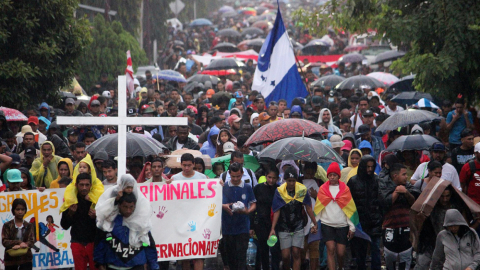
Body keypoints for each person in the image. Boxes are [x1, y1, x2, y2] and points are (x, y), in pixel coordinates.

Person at [94, 191, 158, 270]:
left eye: (131, 207)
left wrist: (153, 266)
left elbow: (149, 245)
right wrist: (99, 263)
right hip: (113, 266)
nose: (128, 210)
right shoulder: (109, 221)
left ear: (135, 206)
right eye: (125, 207)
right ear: (119, 205)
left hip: (136, 266)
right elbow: (100, 242)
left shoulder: (141, 223)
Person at [270, 167, 317, 270]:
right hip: (284, 225)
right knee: (285, 255)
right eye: (289, 181)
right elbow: (276, 210)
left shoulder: (302, 190)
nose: (291, 183)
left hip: (298, 225)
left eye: (293, 181)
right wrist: (273, 228)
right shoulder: (280, 191)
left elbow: (308, 207)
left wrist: (314, 222)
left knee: (296, 252)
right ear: (285, 180)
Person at [379, 164, 420, 270]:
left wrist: (405, 192)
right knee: (390, 258)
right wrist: (397, 191)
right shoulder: (384, 185)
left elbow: (414, 203)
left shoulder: (408, 187)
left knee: (405, 258)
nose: (407, 177)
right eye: (404, 174)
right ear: (395, 176)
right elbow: (386, 203)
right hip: (390, 228)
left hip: (406, 227)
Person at [315, 163, 354, 270]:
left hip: (342, 224)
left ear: (338, 176)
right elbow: (319, 208)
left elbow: (349, 209)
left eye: (334, 175)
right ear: (327, 176)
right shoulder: (323, 189)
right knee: (330, 249)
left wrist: (352, 226)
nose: (332, 177)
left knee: (341, 252)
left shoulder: (345, 189)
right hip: (327, 224)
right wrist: (313, 223)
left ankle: (340, 267)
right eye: (330, 175)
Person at [347, 156, 383, 270]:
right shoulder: (353, 181)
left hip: (375, 220)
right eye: (367, 167)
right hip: (360, 222)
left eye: (372, 167)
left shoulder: (377, 180)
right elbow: (348, 202)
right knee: (360, 253)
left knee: (375, 250)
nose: (369, 169)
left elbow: (381, 200)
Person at [222, 162, 257, 270]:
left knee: (241, 256)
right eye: (233, 176)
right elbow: (214, 202)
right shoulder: (223, 187)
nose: (236, 179)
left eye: (238, 176)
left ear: (242, 173)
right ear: (229, 174)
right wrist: (224, 206)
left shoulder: (247, 187)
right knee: (231, 258)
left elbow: (254, 203)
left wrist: (247, 211)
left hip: (243, 227)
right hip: (227, 228)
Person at [60, 173, 98, 270]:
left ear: (91, 185)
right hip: (77, 242)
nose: (84, 188)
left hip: (93, 242)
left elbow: (105, 224)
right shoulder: (71, 200)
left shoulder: (96, 200)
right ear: (76, 185)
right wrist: (70, 214)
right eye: (81, 185)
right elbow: (64, 225)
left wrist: (96, 217)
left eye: (87, 185)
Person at [251, 168, 281, 270]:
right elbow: (253, 207)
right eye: (269, 177)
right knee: (263, 249)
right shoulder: (258, 188)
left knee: (275, 250)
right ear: (265, 176)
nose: (271, 180)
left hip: (275, 223)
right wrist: (251, 226)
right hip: (261, 223)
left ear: (277, 178)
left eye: (274, 178)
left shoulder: (279, 189)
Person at [1, 198, 35, 270]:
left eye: (22, 209)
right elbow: (4, 241)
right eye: (18, 209)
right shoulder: (7, 225)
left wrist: (26, 245)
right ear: (13, 211)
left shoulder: (29, 225)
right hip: (10, 260)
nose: (20, 212)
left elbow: (31, 241)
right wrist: (19, 243)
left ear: (25, 211)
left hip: (26, 260)